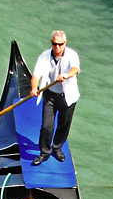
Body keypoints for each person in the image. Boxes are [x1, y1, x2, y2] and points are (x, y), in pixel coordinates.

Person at [31, 30, 81, 165]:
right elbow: (36, 75)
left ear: (65, 43)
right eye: (54, 44)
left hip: (67, 97)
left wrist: (67, 75)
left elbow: (75, 69)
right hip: (50, 95)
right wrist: (34, 88)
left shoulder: (72, 55)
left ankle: (57, 148)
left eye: (60, 44)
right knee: (47, 125)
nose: (57, 47)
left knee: (64, 125)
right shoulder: (44, 56)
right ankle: (44, 152)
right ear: (51, 43)